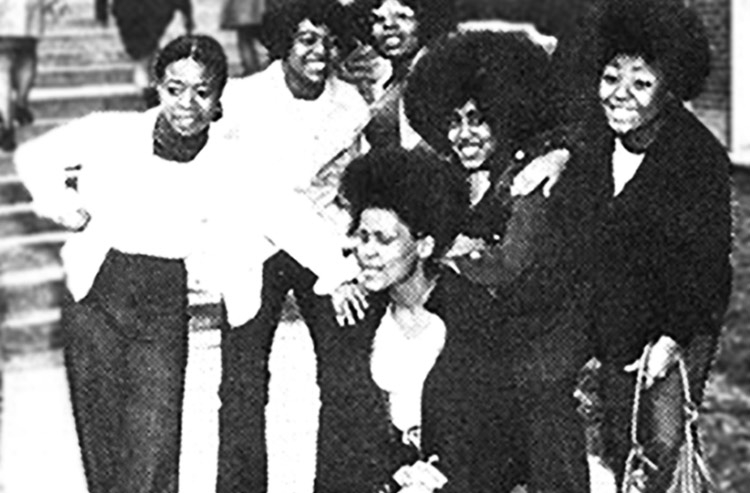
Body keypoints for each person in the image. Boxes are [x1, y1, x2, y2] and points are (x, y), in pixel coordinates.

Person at [14, 34, 252, 493]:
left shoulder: (229, 158)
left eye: (202, 91)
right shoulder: (111, 130)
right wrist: (62, 203)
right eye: (174, 88)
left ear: (219, 95)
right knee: (102, 439)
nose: (187, 104)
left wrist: (335, 272)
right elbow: (32, 156)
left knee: (156, 438)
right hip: (96, 289)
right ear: (156, 86)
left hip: (161, 295)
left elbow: (272, 213)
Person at [540, 0, 732, 490]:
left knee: (663, 442)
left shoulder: (698, 159)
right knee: (604, 427)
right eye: (610, 79)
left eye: (641, 83)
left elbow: (706, 268)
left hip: (677, 318)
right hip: (613, 312)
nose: (620, 95)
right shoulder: (593, 141)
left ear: (669, 91)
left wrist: (672, 339)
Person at [403, 30, 595, 493]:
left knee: (543, 400)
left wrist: (451, 255)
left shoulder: (527, 177)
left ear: (506, 117)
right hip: (499, 324)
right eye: (452, 121)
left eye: (477, 120)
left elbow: (509, 264)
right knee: (446, 389)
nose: (463, 134)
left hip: (552, 321)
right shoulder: (450, 177)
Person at [214, 1, 371, 491]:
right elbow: (266, 199)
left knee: (346, 372)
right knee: (242, 385)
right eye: (306, 39)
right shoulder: (243, 99)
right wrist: (335, 269)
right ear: (283, 42)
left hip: (320, 236)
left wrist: (346, 259)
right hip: (254, 240)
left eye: (328, 40)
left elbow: (341, 185)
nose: (319, 51)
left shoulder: (351, 104)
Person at [300, 146, 520, 493]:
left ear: (424, 245)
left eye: (384, 240)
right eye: (362, 236)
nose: (368, 251)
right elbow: (340, 445)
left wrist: (436, 479)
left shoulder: (473, 316)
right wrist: (394, 473)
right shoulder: (354, 319)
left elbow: (497, 441)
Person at [355, 0, 455, 149]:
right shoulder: (388, 82)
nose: (388, 25)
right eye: (378, 19)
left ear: (425, 21)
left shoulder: (439, 75)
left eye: (402, 16)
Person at [98, 0, 195, 100]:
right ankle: (149, 89)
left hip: (129, 11)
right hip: (153, 10)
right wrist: (187, 16)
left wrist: (101, 14)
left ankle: (147, 89)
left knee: (143, 57)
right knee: (146, 54)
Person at [0, 0, 60, 150]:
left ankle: (6, 124)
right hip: (30, 10)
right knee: (27, 55)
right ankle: (21, 102)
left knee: (3, 68)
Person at [219, 0, 270, 75]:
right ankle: (253, 67)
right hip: (254, 12)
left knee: (245, 41)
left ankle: (251, 69)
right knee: (248, 40)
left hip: (244, 13)